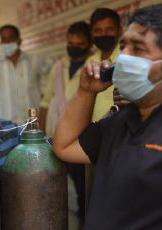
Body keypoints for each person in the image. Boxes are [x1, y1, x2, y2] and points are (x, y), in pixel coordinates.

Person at [53, 4, 162, 229]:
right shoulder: (121, 121)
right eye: (123, 45)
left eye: (138, 48)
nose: (123, 57)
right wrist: (86, 92)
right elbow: (64, 146)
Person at [38, 21, 92, 225]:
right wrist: (42, 136)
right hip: (55, 137)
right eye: (71, 42)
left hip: (80, 140)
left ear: (88, 44)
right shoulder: (59, 66)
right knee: (54, 187)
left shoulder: (93, 66)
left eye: (80, 43)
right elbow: (45, 101)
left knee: (83, 191)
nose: (74, 46)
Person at [0, 24, 50, 123]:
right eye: (4, 39)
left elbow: (50, 81)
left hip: (32, 123)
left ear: (19, 41)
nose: (7, 43)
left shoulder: (34, 60)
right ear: (0, 42)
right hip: (5, 125)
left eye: (11, 39)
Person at [87, 8, 122, 121]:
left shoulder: (126, 59)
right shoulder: (90, 62)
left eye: (109, 29)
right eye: (98, 30)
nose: (103, 34)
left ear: (119, 31)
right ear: (92, 34)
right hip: (93, 132)